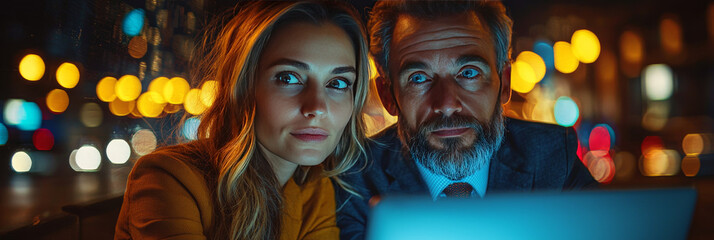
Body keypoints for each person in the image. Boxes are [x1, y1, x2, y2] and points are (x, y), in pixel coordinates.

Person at [335, 1, 598, 239]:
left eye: (469, 73)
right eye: (418, 78)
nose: (447, 104)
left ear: (504, 84)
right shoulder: (354, 179)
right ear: (388, 96)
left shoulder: (550, 155)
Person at [114, 1, 370, 239]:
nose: (316, 108)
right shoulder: (170, 178)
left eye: (338, 83)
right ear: (243, 87)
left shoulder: (314, 192)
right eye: (288, 78)